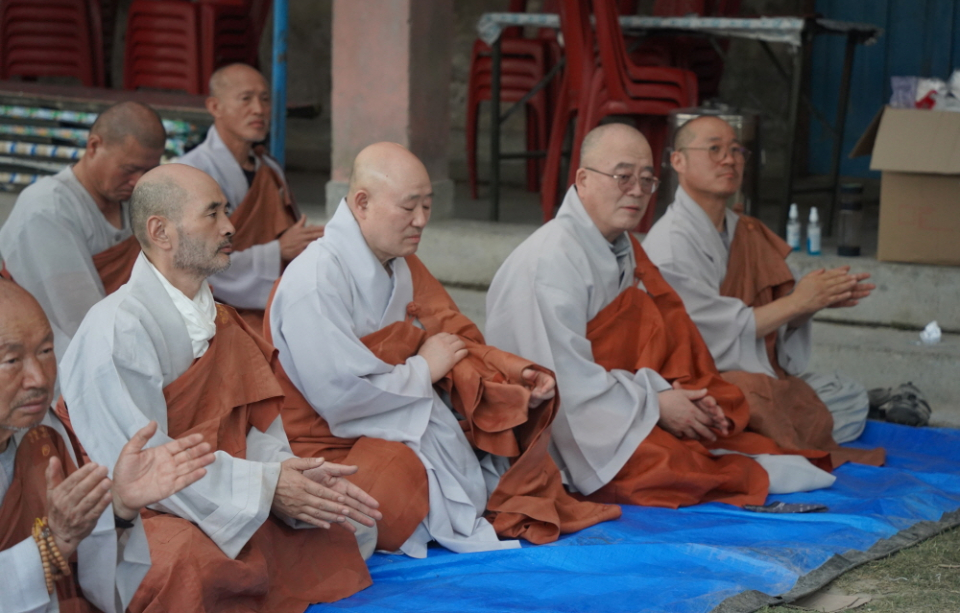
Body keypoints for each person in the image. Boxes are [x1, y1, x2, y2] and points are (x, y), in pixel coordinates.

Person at [268, 142, 620, 558]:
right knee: (390, 485)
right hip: (326, 441)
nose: (421, 221)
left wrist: (512, 377)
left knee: (497, 434)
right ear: (362, 203)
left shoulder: (398, 263)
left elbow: (454, 336)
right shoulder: (315, 280)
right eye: (409, 207)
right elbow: (339, 397)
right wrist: (422, 371)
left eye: (428, 206)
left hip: (398, 417)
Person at [57, 164, 381, 612]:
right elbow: (143, 470)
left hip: (221, 492)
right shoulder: (117, 330)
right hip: (136, 515)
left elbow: (254, 433)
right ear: (161, 231)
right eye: (212, 214)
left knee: (343, 525)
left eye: (226, 211)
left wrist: (291, 479)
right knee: (194, 566)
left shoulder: (221, 320)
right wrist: (266, 488)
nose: (230, 227)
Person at [486, 123, 837, 509]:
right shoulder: (551, 261)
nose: (636, 190)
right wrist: (655, 403)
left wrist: (673, 392)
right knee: (672, 466)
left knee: (729, 423)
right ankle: (738, 471)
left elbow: (670, 337)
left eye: (646, 179)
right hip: (557, 429)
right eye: (623, 177)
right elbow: (559, 385)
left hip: (618, 402)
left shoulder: (625, 249)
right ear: (583, 179)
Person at [643, 116, 885, 465]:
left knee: (848, 395)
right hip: (698, 382)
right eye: (714, 149)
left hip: (751, 377)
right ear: (677, 161)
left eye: (736, 150)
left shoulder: (743, 229)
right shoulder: (670, 244)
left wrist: (808, 306)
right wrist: (798, 301)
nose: (729, 159)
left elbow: (770, 325)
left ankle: (763, 434)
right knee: (750, 399)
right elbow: (705, 339)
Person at [0, 278, 215, 613]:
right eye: (11, 361)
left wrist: (119, 505)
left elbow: (91, 575)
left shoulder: (42, 433)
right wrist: (53, 543)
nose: (40, 379)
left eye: (45, 352)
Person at [0, 102, 165, 359]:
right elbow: (81, 320)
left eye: (148, 170)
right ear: (94, 146)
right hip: (64, 357)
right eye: (129, 169)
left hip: (129, 336)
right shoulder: (47, 209)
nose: (138, 181)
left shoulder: (134, 201)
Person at [177, 63, 324, 315]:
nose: (259, 109)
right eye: (245, 99)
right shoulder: (191, 172)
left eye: (264, 99)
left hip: (268, 303)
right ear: (215, 107)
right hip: (209, 311)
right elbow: (195, 262)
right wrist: (276, 251)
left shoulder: (269, 168)